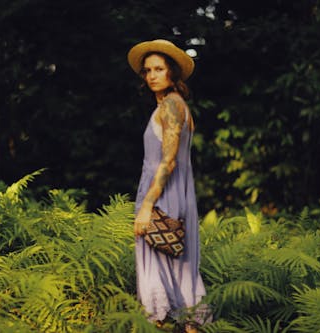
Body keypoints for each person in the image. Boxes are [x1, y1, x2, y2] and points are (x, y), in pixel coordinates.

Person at [128, 39, 209, 332]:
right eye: (147, 70)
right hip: (171, 195)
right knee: (179, 272)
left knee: (160, 278)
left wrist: (148, 206)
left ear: (172, 73)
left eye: (159, 69)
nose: (151, 75)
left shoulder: (172, 106)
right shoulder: (171, 105)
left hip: (164, 197)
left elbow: (169, 162)